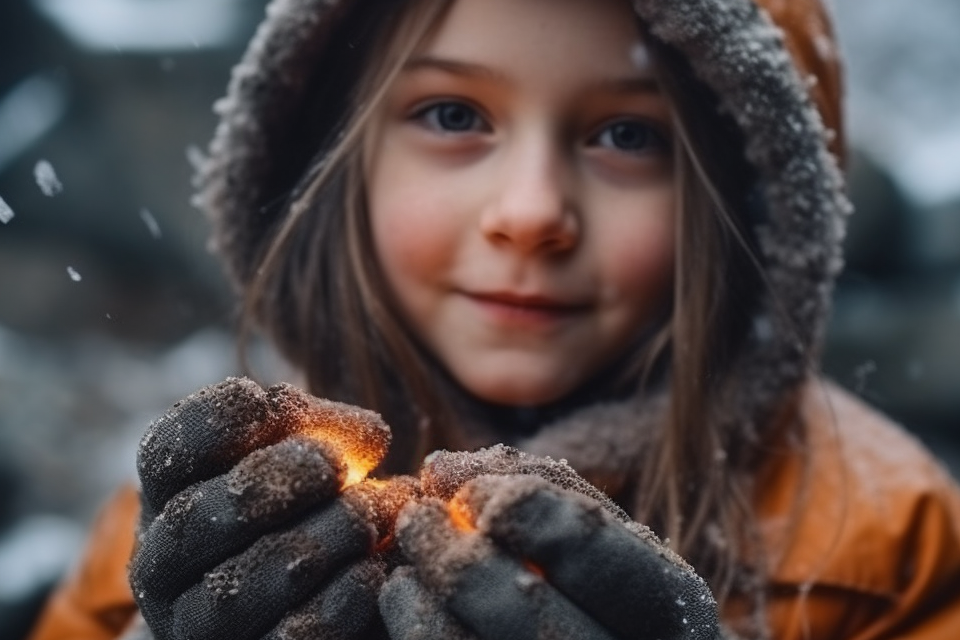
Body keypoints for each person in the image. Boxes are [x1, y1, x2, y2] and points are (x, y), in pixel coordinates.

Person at [27, 0, 960, 638]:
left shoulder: (889, 542)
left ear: (748, 205)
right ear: (334, 159)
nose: (529, 210)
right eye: (452, 113)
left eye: (628, 135)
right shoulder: (196, 533)